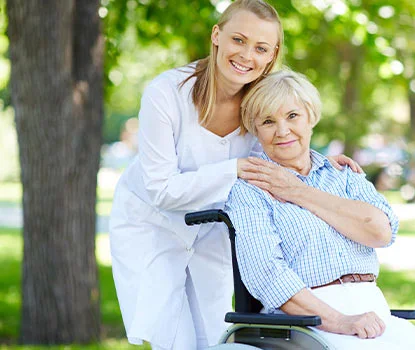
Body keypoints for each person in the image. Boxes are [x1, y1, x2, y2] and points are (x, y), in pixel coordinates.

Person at [108, 1, 360, 349]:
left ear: (271, 56)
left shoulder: (261, 103)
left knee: (214, 333)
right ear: (217, 36)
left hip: (214, 226)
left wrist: (319, 162)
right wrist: (234, 169)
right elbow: (161, 190)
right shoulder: (165, 93)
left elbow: (282, 148)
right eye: (238, 40)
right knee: (172, 336)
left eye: (260, 48)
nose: (246, 55)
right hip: (152, 224)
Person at [225, 70, 415, 349]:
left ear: (310, 117)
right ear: (256, 130)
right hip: (304, 325)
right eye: (268, 121)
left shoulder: (343, 175)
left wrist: (297, 191)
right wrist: (341, 321)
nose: (282, 130)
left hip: (375, 312)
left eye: (292, 116)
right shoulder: (250, 190)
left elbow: (381, 232)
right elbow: (266, 275)